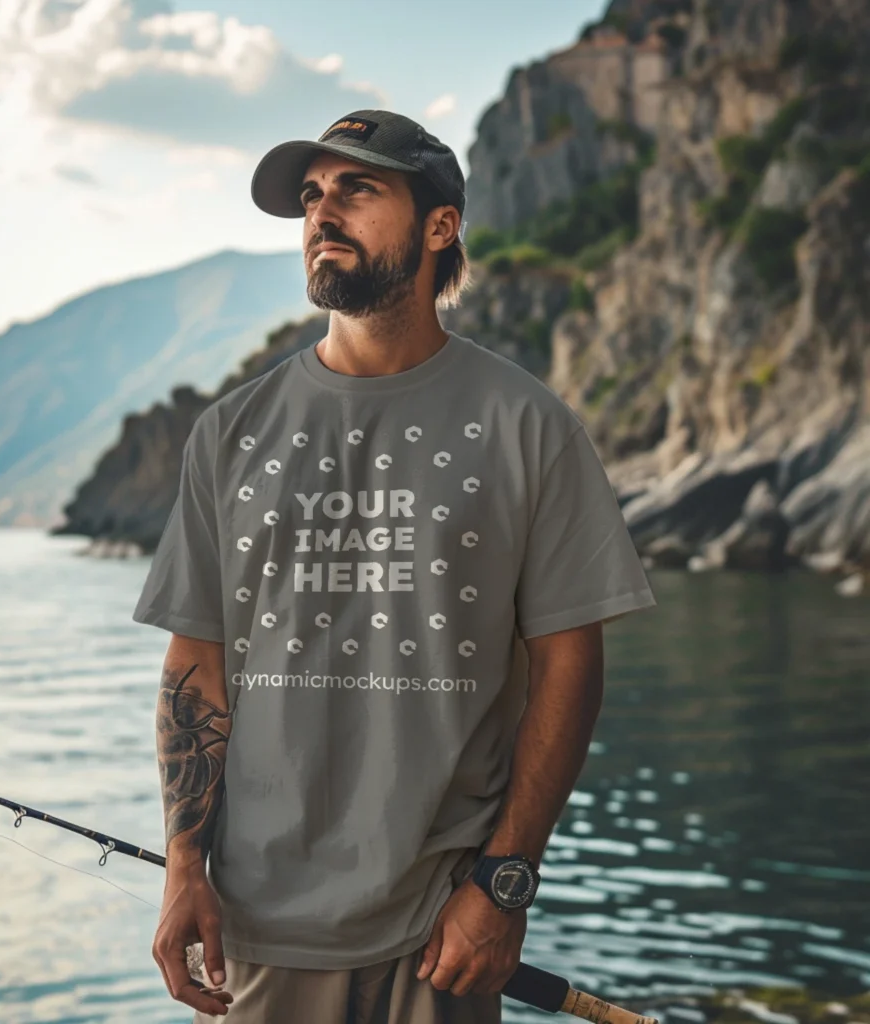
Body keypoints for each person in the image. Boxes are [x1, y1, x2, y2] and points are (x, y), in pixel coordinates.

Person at [131, 108, 658, 1023]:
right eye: (311, 195)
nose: (322, 214)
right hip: (264, 929)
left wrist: (503, 885)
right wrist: (184, 870)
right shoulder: (230, 434)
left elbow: (569, 664)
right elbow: (197, 667)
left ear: (439, 226)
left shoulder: (527, 425)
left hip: (443, 930)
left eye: (357, 189)